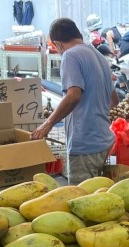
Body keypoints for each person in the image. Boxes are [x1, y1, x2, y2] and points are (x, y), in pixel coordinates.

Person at [32, 18, 116, 185]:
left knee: (80, 197)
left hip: (85, 145)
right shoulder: (99, 56)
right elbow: (114, 100)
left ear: (58, 44)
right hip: (104, 141)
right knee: (97, 195)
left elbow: (73, 95)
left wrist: (47, 125)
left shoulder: (70, 55)